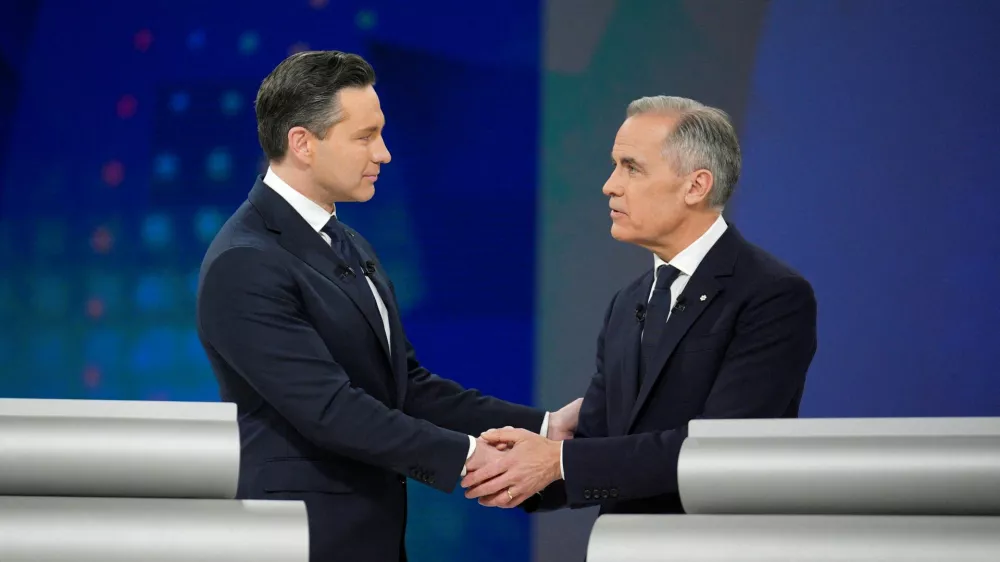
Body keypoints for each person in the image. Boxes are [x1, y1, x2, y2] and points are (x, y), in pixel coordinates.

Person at [196, 50, 581, 562]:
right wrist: (471, 457)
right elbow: (330, 410)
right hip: (301, 540)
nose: (384, 154)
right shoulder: (246, 261)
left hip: (371, 537)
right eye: (365, 137)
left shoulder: (347, 242)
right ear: (302, 143)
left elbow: (405, 386)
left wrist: (544, 428)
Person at [461, 95, 818, 515]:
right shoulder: (628, 302)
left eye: (631, 167)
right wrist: (510, 469)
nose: (610, 185)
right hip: (624, 544)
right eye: (615, 165)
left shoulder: (772, 295)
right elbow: (597, 445)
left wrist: (555, 461)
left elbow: (721, 446)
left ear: (695, 186)